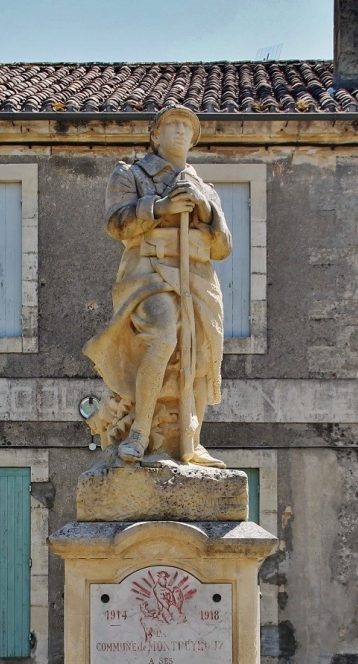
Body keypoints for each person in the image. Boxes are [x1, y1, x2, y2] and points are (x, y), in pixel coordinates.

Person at [83, 105, 232, 467]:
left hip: (196, 276)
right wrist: (159, 207)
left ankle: (191, 441)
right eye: (173, 124)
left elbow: (223, 246)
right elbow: (116, 224)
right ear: (156, 134)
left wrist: (206, 211)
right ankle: (139, 433)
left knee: (197, 353)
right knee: (163, 335)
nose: (181, 131)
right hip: (149, 272)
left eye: (187, 127)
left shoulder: (204, 189)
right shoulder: (131, 175)